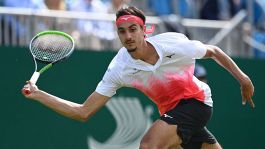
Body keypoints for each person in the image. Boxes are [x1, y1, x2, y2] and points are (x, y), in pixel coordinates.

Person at [22, 6, 255, 149]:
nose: (128, 36)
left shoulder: (173, 44)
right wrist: (39, 94)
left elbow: (213, 51)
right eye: (122, 31)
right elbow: (83, 112)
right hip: (172, 113)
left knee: (148, 145)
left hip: (198, 103)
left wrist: (243, 79)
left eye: (133, 29)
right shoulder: (119, 68)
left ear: (145, 31)